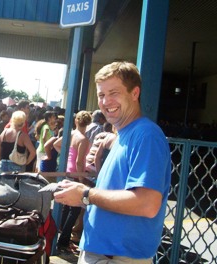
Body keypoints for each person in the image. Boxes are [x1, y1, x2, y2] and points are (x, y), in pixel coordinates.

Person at [54, 61, 171, 263]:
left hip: (114, 258)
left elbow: (147, 204)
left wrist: (85, 195)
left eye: (114, 93)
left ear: (135, 93)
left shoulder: (146, 135)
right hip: (103, 254)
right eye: (101, 95)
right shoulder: (125, 135)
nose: (106, 101)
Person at [53, 111, 92, 254]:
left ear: (76, 121)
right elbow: (80, 162)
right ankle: (64, 241)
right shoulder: (83, 139)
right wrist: (82, 180)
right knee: (74, 211)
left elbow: (56, 144)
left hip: (67, 172)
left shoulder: (71, 134)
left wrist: (64, 155)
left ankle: (61, 237)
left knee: (65, 208)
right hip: (75, 175)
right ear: (88, 123)